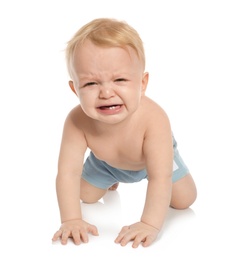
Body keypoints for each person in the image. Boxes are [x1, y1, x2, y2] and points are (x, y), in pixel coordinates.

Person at [52, 18, 197, 248]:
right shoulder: (76, 121)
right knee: (85, 196)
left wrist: (149, 224)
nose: (107, 92)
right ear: (74, 89)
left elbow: (161, 177)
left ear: (142, 83)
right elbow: (67, 173)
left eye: (120, 80)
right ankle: (112, 178)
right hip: (105, 162)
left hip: (154, 161)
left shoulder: (154, 119)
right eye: (90, 84)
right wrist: (71, 219)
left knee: (184, 200)